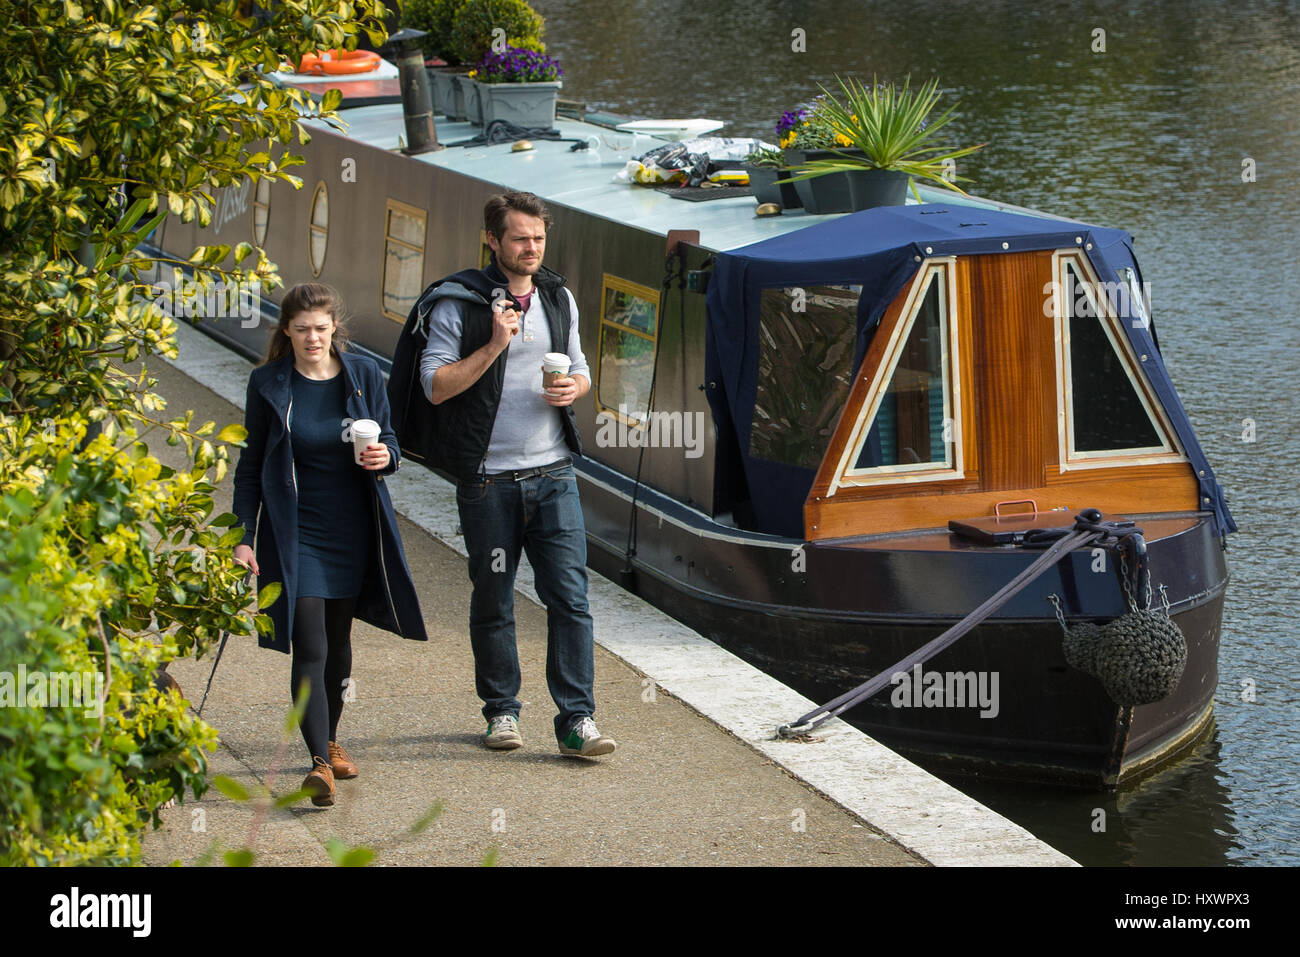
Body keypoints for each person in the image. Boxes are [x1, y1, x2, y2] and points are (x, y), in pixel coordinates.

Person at [419, 190, 615, 758]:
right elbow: (435, 386)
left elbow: (581, 373)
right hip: (487, 482)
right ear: (493, 241)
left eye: (539, 238)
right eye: (520, 238)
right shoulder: (459, 304)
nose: (531, 248)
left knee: (572, 599)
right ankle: (501, 712)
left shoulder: (558, 298)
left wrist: (571, 389)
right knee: (494, 599)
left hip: (554, 475)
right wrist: (494, 345)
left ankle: (577, 720)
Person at [232, 282, 428, 806]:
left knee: (339, 647)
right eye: (301, 330)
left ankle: (333, 739)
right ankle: (319, 762)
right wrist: (242, 539)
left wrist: (386, 456)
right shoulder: (269, 383)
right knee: (310, 643)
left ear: (333, 328)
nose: (312, 338)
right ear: (287, 332)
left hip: (354, 528)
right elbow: (250, 467)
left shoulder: (363, 375)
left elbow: (390, 439)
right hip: (294, 532)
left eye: (321, 329)